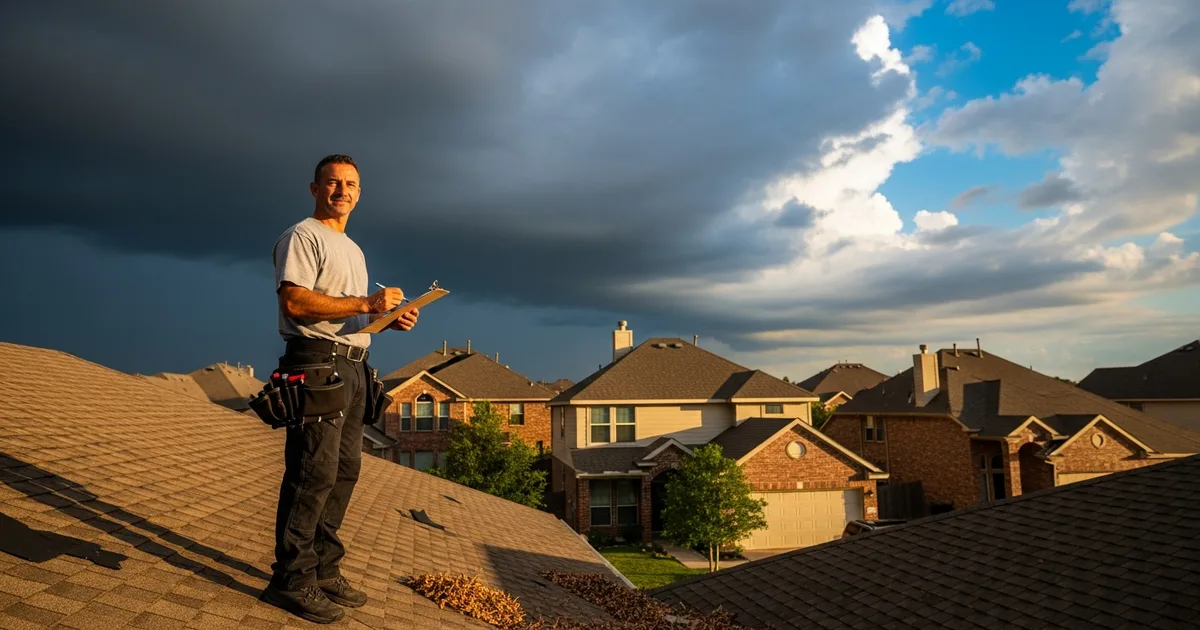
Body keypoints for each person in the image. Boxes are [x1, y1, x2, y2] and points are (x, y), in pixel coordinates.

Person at [260, 154, 419, 624]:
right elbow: (294, 302)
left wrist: (385, 321)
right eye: (332, 183)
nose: (341, 191)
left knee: (345, 470)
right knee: (313, 472)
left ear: (360, 193)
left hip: (353, 366)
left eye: (350, 184)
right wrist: (366, 303)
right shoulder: (302, 236)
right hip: (316, 363)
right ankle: (290, 580)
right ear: (314, 189)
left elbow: (347, 314)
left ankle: (324, 569)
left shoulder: (352, 248)